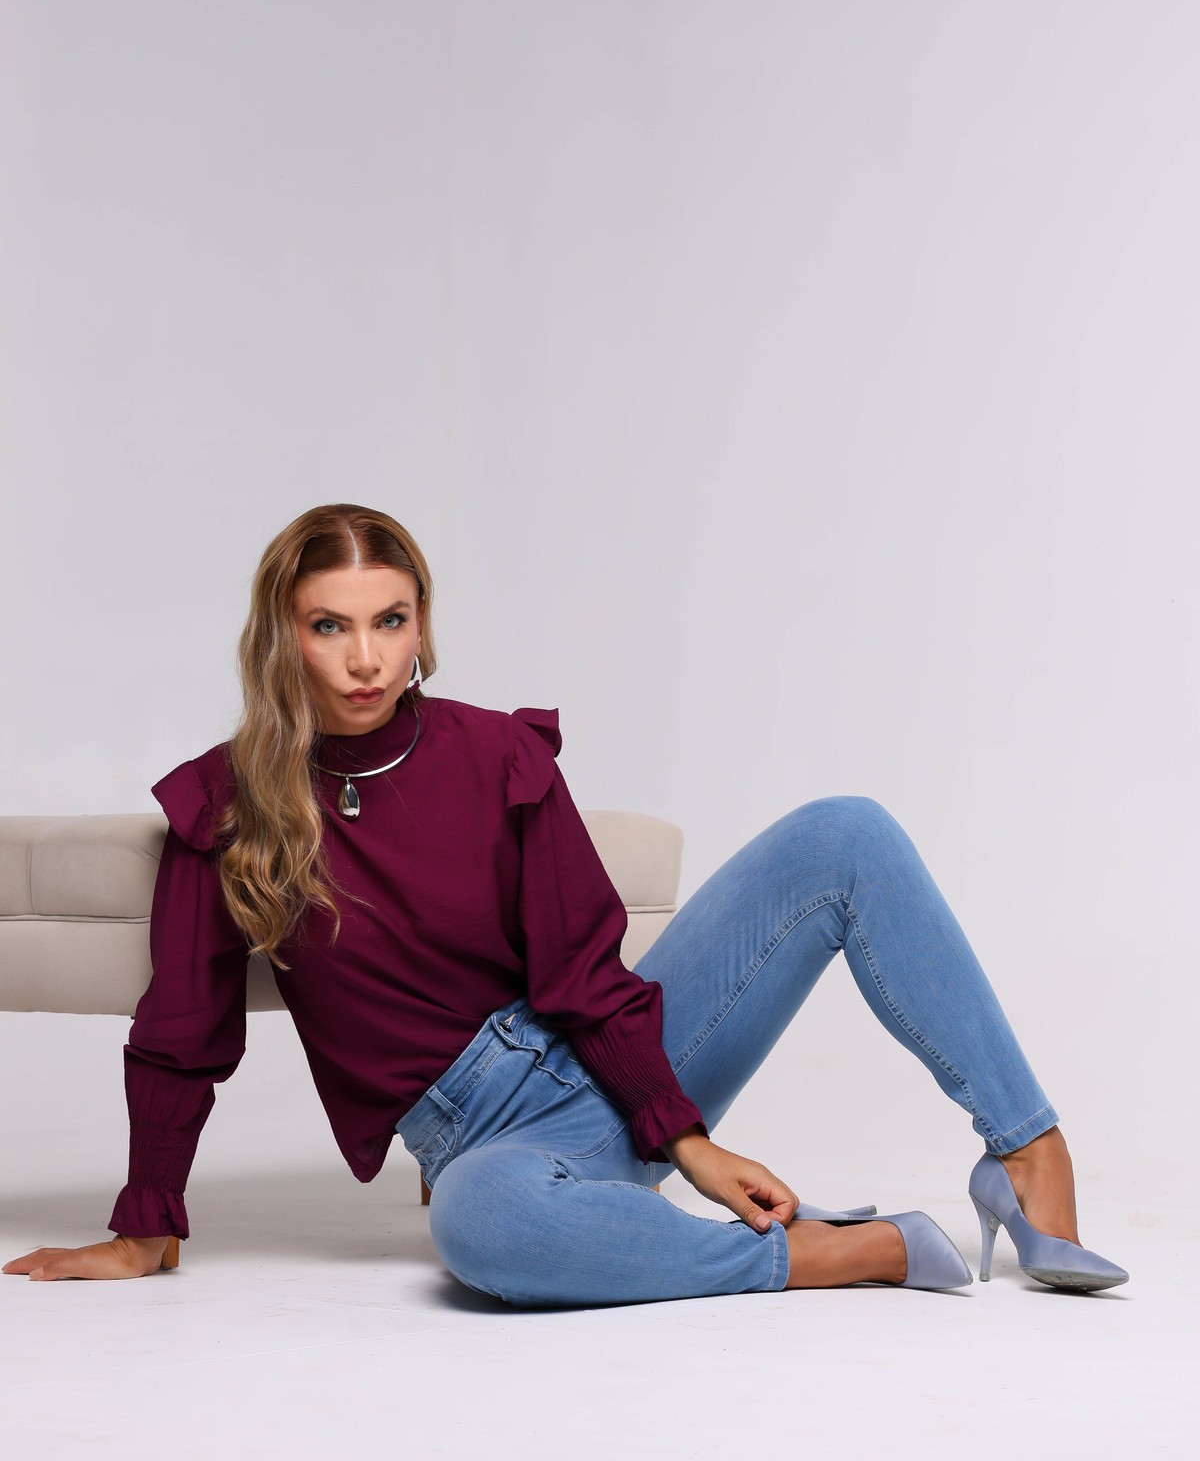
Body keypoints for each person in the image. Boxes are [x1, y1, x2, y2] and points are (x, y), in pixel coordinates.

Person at [4, 505, 1127, 1302]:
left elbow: (583, 971)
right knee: (483, 1231)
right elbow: (182, 1034)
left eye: (390, 620)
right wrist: (146, 1223)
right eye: (329, 625)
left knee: (845, 835)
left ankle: (1027, 1154)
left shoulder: (498, 755)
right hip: (475, 1138)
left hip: (608, 1063)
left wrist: (684, 1141)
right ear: (281, 636)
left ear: (422, 624)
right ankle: (837, 1253)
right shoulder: (228, 801)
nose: (365, 659)